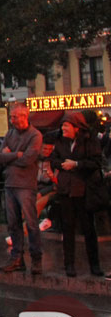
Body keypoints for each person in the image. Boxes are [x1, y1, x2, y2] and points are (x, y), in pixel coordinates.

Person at [50, 111, 104, 277]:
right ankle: (69, 265)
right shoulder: (60, 140)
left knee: (89, 229)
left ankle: (94, 265)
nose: (63, 128)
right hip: (66, 190)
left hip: (84, 190)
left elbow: (96, 162)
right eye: (63, 125)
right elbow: (54, 159)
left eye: (66, 126)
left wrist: (77, 164)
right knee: (68, 228)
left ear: (76, 127)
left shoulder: (89, 140)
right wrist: (61, 164)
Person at [0, 103, 43, 275]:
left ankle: (36, 258)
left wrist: (10, 156)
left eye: (14, 116)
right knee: (13, 223)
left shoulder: (35, 135)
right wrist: (16, 154)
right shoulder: (10, 133)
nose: (12, 119)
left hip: (25, 184)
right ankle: (17, 258)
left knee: (31, 223)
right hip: (10, 183)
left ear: (24, 116)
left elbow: (28, 159)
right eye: (11, 117)